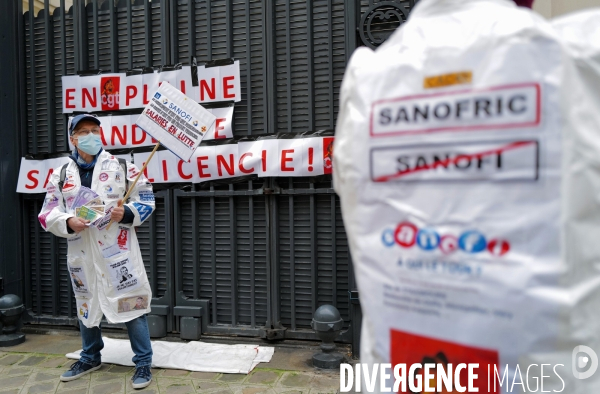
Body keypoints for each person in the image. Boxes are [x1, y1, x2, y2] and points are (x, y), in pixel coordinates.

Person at [38, 114, 156, 390]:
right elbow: (47, 213)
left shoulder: (123, 166)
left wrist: (125, 211)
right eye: (83, 131)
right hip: (82, 252)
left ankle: (143, 361)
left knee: (131, 302)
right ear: (73, 138)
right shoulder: (61, 174)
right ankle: (90, 357)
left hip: (118, 251)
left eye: (95, 130)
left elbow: (147, 199)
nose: (90, 135)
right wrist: (67, 221)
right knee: (86, 303)